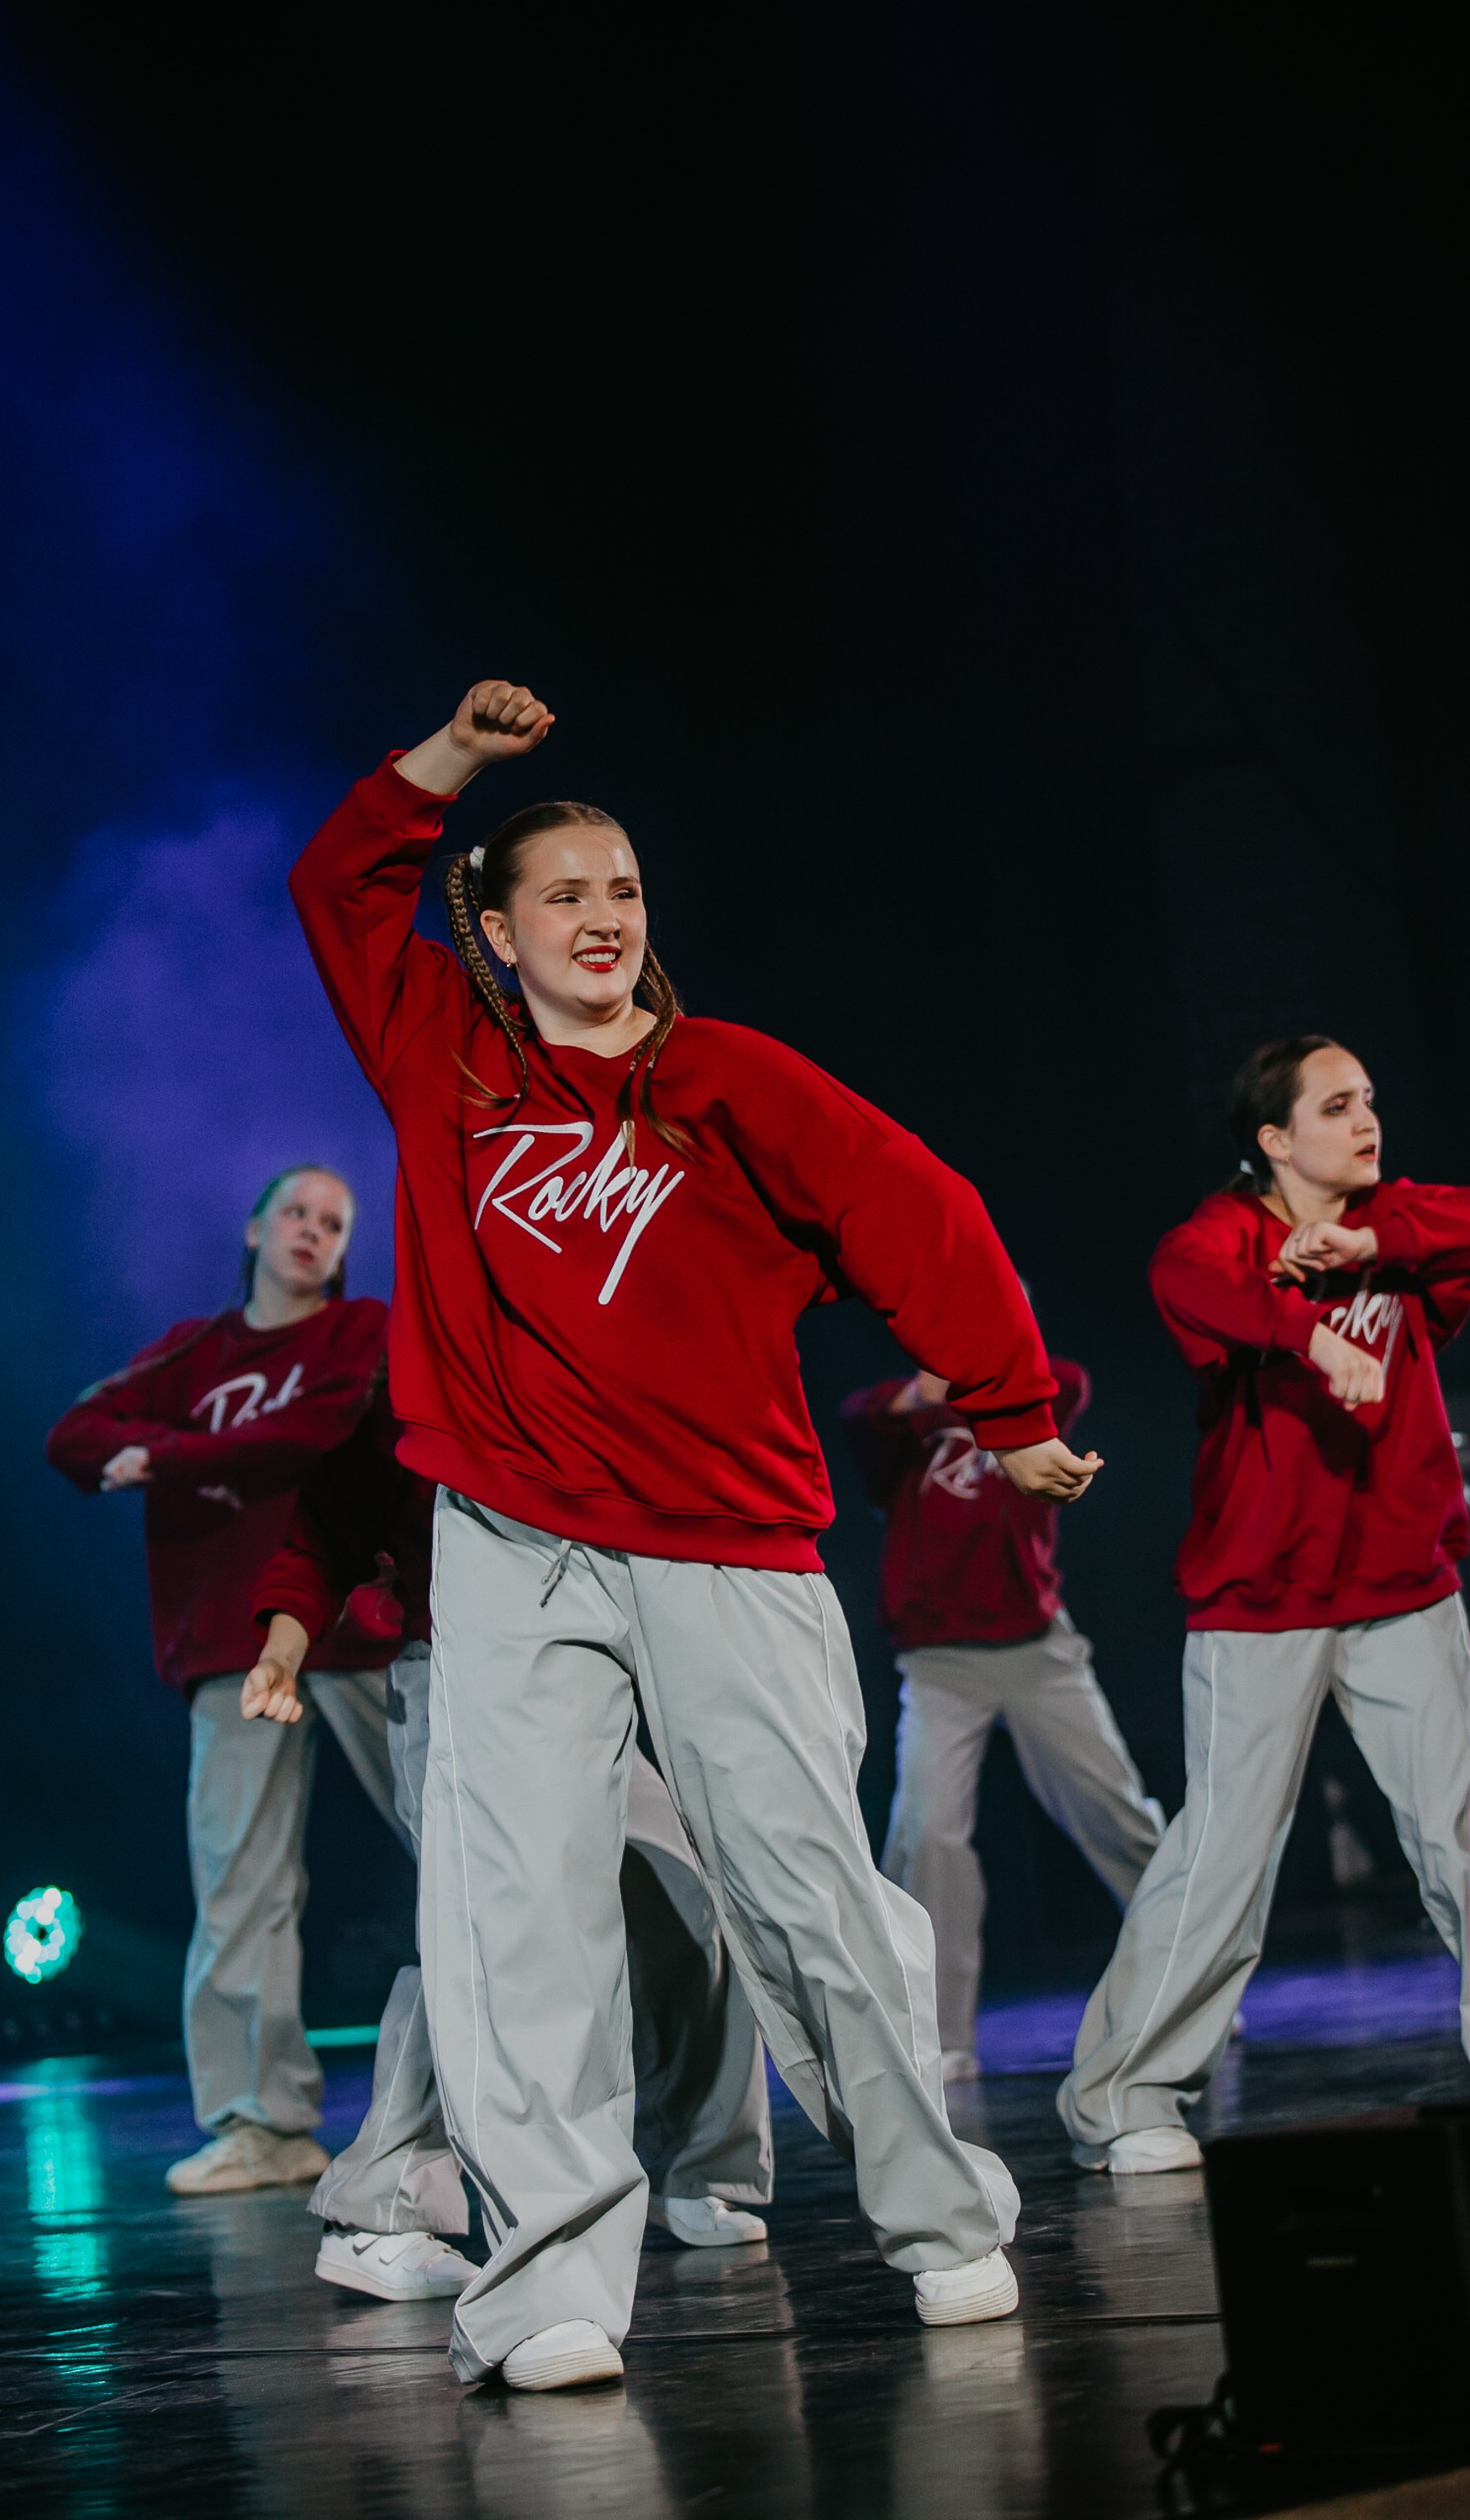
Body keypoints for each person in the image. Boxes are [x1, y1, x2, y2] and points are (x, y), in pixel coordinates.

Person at [271, 677, 1101, 2392]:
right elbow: (338, 881)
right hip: (511, 1537)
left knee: (806, 1890)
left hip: (727, 1541)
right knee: (516, 1909)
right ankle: (548, 2284)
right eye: (565, 892)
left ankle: (938, 2211)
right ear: (496, 929)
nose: (603, 916)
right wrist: (454, 760)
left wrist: (1011, 1408)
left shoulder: (727, 1079)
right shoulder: (445, 1059)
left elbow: (923, 1215)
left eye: (626, 889)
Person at [242, 1413, 775, 2302]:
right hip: (454, 1676)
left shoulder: (576, 1383)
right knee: (482, 1934)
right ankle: (379, 2205)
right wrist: (280, 1652)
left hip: (587, 1677)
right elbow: (321, 1536)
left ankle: (698, 2164)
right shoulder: (412, 1408)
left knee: (689, 1891)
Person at [1058, 1036, 1470, 2174]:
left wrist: (1374, 1243)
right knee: (1223, 1854)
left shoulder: (1399, 1223)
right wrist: (1306, 1328)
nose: (1365, 1119)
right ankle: (1120, 2096)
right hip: (1263, 1599)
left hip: (1402, 1586)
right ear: (1275, 1139)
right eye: (1336, 1106)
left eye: (1369, 1099)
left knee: (1458, 1832)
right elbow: (1185, 1281)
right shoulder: (1224, 1240)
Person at [46, 1165, 403, 2196]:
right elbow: (73, 1436)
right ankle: (262, 2120)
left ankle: (567, 2078)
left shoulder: (359, 1330)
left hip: (362, 1628)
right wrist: (176, 1447)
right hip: (230, 1644)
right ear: (254, 1228)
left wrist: (165, 1456)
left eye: (332, 1222)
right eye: (296, 1211)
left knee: (473, 1844)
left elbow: (319, 1430)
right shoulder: (190, 1351)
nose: (311, 1230)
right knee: (238, 1883)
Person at [841, 1355, 1162, 2082]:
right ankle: (938, 2033)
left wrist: (992, 1359)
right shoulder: (908, 1422)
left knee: (1118, 1816)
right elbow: (859, 1415)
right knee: (928, 1835)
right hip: (940, 1663)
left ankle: (1187, 1985)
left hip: (1037, 1651)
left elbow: (1069, 1380)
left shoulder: (1030, 1396)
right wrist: (921, 1392)